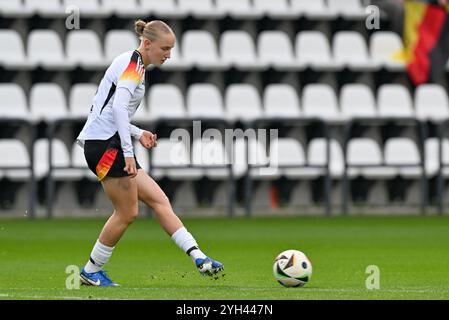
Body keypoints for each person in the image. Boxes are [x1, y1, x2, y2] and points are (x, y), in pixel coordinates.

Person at [76, 19, 223, 286]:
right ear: (147, 44)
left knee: (158, 200)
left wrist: (137, 132)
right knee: (127, 212)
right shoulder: (133, 66)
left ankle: (200, 258)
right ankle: (90, 271)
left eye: (171, 49)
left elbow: (109, 110)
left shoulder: (134, 65)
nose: (168, 54)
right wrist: (129, 152)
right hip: (105, 146)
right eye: (165, 48)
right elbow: (119, 109)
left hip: (108, 142)